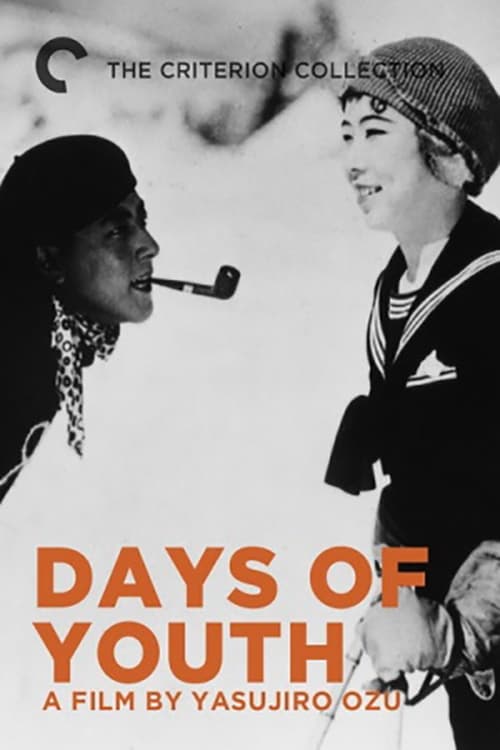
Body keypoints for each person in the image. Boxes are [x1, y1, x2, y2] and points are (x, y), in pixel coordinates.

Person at [324, 37, 500, 749]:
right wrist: (397, 596)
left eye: (374, 132)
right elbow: (409, 488)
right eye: (345, 136)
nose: (351, 160)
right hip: (472, 668)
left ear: (447, 151)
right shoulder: (391, 292)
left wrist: (459, 631)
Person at [0, 134, 159, 502]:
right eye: (117, 231)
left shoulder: (49, 341)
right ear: (49, 259)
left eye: (142, 220)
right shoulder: (17, 362)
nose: (151, 246)